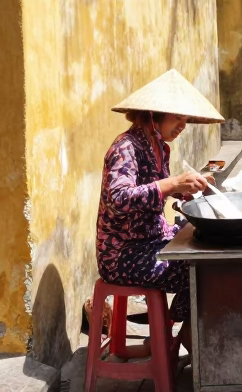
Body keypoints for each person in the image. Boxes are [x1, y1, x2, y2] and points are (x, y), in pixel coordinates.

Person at [95, 70, 224, 331]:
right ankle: (177, 329)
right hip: (122, 253)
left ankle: (178, 327)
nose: (183, 125)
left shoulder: (159, 147)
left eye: (185, 119)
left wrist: (184, 189)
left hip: (152, 238)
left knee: (210, 244)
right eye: (177, 117)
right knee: (198, 267)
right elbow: (119, 198)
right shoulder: (125, 148)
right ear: (153, 115)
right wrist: (173, 183)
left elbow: (158, 188)